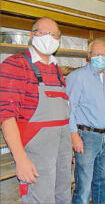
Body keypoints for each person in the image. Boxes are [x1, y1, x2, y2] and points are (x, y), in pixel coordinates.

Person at [0, 17, 71, 203]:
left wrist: (66, 148)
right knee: (41, 199)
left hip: (61, 147)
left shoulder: (57, 68)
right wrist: (20, 158)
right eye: (43, 32)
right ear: (32, 36)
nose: (49, 37)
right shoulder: (14, 64)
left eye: (53, 34)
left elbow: (63, 114)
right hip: (36, 150)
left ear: (58, 40)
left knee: (63, 194)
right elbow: (6, 116)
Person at [66, 39, 105, 204]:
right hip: (86, 136)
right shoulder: (77, 77)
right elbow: (68, 109)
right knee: (84, 184)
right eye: (96, 54)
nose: (100, 57)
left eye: (104, 54)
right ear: (88, 56)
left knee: (103, 180)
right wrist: (73, 136)